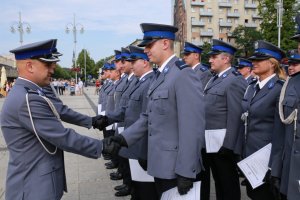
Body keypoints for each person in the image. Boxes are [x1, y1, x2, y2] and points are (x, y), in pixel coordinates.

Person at [0, 39, 119, 200]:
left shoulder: (30, 92)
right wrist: (101, 146)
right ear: (29, 66)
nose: (53, 68)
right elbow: (62, 137)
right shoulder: (28, 99)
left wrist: (90, 122)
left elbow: (59, 111)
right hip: (33, 187)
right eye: (48, 64)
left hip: (36, 182)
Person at [107, 23, 205, 198]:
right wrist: (123, 138)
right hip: (160, 164)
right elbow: (148, 116)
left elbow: (192, 127)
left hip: (176, 168)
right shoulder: (161, 75)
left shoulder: (183, 74)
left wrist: (186, 170)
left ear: (165, 44)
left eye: (149, 45)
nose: (146, 50)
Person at [96, 46, 157, 199]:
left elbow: (148, 120)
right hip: (132, 141)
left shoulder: (149, 82)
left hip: (141, 145)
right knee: (138, 188)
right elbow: (124, 109)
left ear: (144, 62)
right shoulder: (137, 82)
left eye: (132, 61)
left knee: (145, 190)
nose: (128, 64)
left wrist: (146, 152)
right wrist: (106, 119)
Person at [239, 40, 286, 200]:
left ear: (272, 63)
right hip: (250, 158)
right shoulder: (251, 87)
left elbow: (280, 133)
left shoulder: (279, 89)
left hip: (266, 161)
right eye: (253, 60)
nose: (254, 63)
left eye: (259, 60)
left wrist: (274, 166)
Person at [204, 39, 247, 200]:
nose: (210, 60)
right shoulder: (214, 78)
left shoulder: (234, 80)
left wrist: (229, 145)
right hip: (211, 142)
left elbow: (236, 116)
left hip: (223, 145)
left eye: (214, 56)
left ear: (226, 59)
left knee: (228, 185)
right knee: (220, 183)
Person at [181, 41, 212, 200]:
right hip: (190, 125)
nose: (184, 57)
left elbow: (200, 101)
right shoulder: (186, 72)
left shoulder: (204, 73)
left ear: (196, 55)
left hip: (201, 126)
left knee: (202, 167)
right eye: (184, 54)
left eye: (187, 54)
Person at [278, 52, 300, 200]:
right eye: (289, 65)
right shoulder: (291, 83)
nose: (290, 68)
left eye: (295, 64)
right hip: (290, 154)